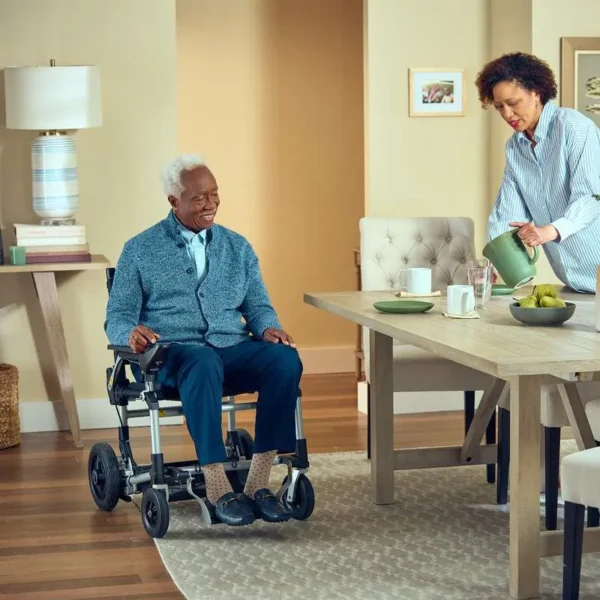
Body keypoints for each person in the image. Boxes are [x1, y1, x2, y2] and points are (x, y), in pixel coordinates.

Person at [105, 154, 303, 527]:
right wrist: (129, 334)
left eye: (214, 194)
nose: (210, 204)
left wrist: (267, 328)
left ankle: (258, 483)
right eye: (199, 198)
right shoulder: (140, 249)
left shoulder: (237, 247)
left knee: (285, 360)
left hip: (231, 349)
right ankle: (216, 485)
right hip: (174, 359)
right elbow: (117, 316)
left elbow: (257, 304)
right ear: (173, 201)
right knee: (202, 360)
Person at [476, 52, 600, 293]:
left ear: (537, 93)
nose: (506, 114)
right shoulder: (515, 147)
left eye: (513, 103)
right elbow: (506, 212)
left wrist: (549, 231)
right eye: (499, 106)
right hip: (575, 284)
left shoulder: (574, 128)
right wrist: (495, 260)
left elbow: (592, 197)